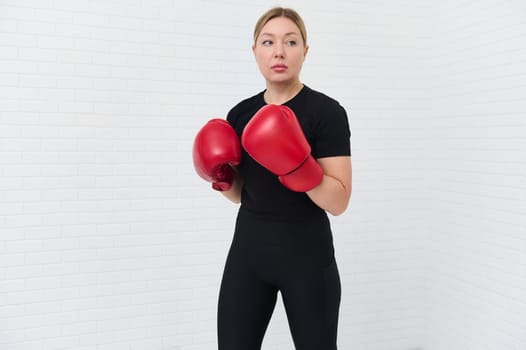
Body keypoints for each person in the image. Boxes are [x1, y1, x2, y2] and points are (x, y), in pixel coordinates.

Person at [193, 7, 352, 350]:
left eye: (290, 41)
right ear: (255, 51)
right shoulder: (240, 114)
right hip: (249, 254)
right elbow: (240, 194)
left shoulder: (327, 113)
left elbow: (339, 201)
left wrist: (300, 168)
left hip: (307, 258)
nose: (279, 51)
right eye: (268, 42)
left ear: (305, 51)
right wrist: (220, 177)